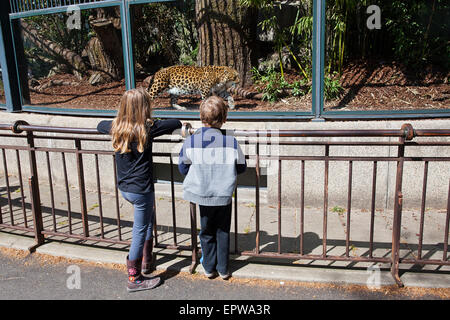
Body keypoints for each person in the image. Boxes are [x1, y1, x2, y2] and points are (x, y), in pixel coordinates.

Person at [97, 87, 181, 292]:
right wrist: (153, 121)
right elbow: (176, 123)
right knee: (140, 229)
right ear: (145, 108)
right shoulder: (148, 128)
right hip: (142, 189)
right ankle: (134, 278)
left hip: (125, 187)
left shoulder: (115, 127)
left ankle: (146, 261)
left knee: (146, 220)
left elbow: (100, 125)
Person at [178, 95, 247, 280]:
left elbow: (183, 166)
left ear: (201, 118)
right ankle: (223, 268)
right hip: (224, 194)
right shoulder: (231, 142)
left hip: (202, 194)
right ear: (224, 119)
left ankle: (208, 266)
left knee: (206, 230)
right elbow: (241, 167)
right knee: (223, 230)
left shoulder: (191, 141)